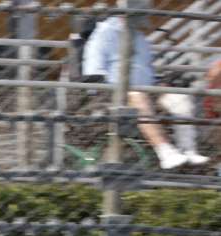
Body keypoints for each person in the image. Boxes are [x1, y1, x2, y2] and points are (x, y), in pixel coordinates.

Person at [82, 2, 209, 170]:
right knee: (137, 96)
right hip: (114, 91)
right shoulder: (105, 32)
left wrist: (159, 84)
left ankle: (188, 150)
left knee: (179, 98)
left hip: (147, 89)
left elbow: (147, 70)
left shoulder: (140, 38)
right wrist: (111, 88)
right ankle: (165, 151)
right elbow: (93, 70)